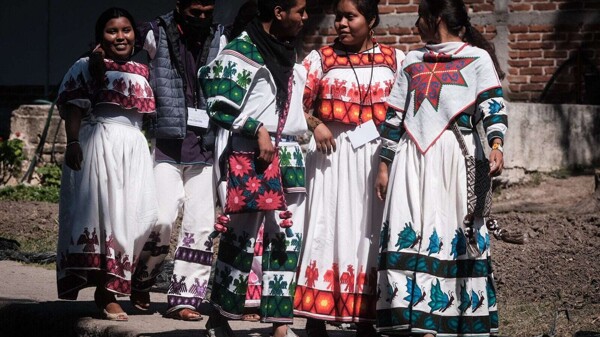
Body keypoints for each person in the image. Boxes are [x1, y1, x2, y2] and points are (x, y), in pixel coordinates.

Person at [374, 0, 507, 335]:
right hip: (412, 159)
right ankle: (413, 321)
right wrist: (384, 165)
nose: (415, 25)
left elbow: (493, 106)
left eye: (420, 17)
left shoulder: (477, 59)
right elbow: (394, 116)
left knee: (450, 229)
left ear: (433, 19)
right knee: (407, 229)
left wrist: (496, 145)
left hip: (455, 159)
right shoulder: (412, 60)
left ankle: (453, 320)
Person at [292, 0, 405, 336]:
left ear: (371, 21)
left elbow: (402, 109)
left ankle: (365, 319)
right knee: (327, 227)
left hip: (376, 159)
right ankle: (316, 318)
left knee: (368, 231)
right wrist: (315, 124)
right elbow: (293, 104)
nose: (341, 23)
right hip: (332, 156)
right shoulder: (321, 60)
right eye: (339, 16)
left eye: (350, 16)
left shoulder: (394, 60)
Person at [198, 0, 308, 336]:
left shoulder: (288, 52)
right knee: (240, 239)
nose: (305, 17)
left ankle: (279, 323)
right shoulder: (240, 51)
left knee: (287, 240)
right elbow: (215, 101)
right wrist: (255, 128)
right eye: (300, 10)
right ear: (278, 12)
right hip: (252, 155)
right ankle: (218, 316)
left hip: (288, 154)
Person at [55, 7, 157, 322]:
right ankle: (107, 292)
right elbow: (73, 106)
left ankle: (132, 281)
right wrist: (73, 142)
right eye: (112, 31)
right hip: (101, 145)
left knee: (143, 218)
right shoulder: (86, 66)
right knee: (107, 221)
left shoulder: (142, 70)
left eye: (126, 30)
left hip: (134, 148)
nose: (120, 36)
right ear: (101, 36)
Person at [128, 0, 227, 321]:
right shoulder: (155, 32)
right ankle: (141, 280)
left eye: (207, 13)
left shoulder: (220, 38)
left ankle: (186, 298)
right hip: (167, 144)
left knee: (200, 226)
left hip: (205, 144)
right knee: (160, 218)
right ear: (180, 7)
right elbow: (120, 39)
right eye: (194, 12)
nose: (201, 18)